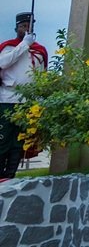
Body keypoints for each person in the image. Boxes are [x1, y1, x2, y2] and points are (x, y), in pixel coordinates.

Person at [0, 12, 48, 178]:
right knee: (3, 138)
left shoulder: (39, 51)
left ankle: (10, 174)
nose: (26, 29)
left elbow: (41, 76)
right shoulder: (8, 47)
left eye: (29, 26)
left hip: (28, 102)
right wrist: (23, 45)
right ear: (16, 28)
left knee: (19, 141)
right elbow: (3, 63)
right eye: (23, 26)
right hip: (7, 98)